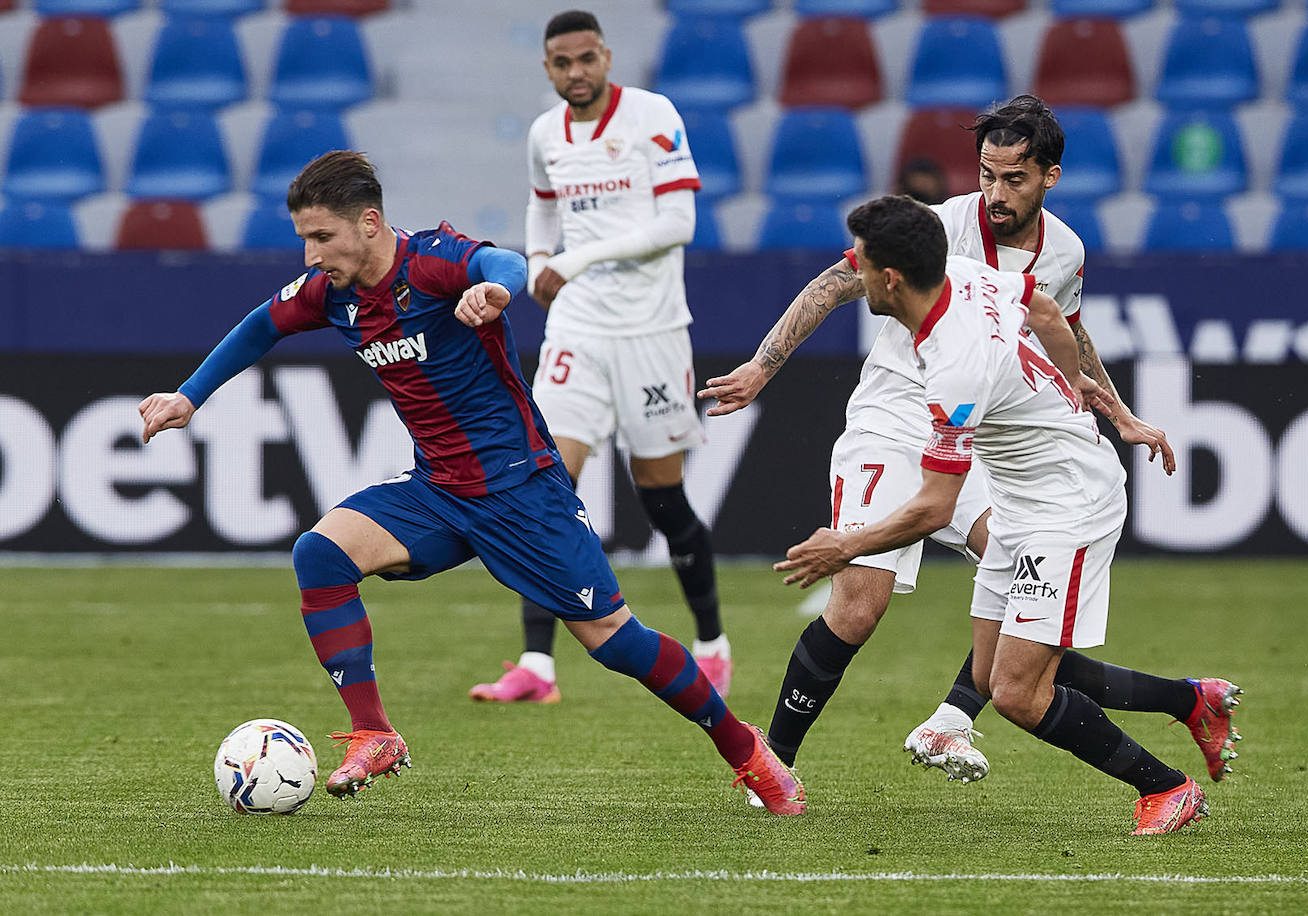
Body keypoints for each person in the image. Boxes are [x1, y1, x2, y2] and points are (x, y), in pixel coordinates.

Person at [138, 151, 804, 815]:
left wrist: (497, 290)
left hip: (521, 489)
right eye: (304, 239)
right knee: (320, 554)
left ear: (369, 223)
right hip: (438, 490)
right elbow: (261, 325)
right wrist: (190, 397)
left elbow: (501, 262)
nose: (311, 256)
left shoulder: (430, 261)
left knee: (614, 642)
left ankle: (746, 750)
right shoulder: (331, 294)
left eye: (322, 237)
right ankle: (374, 732)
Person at [700, 95, 1239, 790]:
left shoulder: (1065, 250)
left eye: (1013, 178)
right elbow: (839, 281)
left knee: (1023, 600)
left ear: (1050, 175)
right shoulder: (938, 225)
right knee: (860, 604)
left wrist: (1116, 412)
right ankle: (774, 764)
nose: (994, 193)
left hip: (976, 430)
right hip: (894, 419)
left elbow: (1062, 331)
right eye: (986, 174)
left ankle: (1154, 702)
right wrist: (761, 367)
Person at [777, 194, 1220, 834]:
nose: (856, 275)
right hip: (1022, 496)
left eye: (863, 266)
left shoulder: (954, 372)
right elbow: (1043, 307)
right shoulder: (963, 273)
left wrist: (846, 545)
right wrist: (1071, 392)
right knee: (991, 673)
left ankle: (1166, 788)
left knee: (1015, 692)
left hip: (1066, 506)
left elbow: (934, 507)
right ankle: (1189, 703)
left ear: (891, 279)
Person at [469, 9, 731, 705]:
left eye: (587, 59)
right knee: (542, 489)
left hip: (651, 331)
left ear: (607, 57)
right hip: (577, 332)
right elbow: (543, 206)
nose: (576, 73)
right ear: (548, 67)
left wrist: (574, 258)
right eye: (562, 63)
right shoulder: (545, 133)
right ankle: (537, 665)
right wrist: (542, 260)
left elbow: (679, 222)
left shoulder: (652, 114)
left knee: (662, 499)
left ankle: (711, 645)